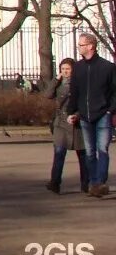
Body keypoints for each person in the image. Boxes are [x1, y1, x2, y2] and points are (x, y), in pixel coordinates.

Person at [64, 32, 116, 198]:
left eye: (81, 45)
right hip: (85, 116)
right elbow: (75, 92)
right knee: (89, 152)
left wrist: (110, 110)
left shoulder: (107, 67)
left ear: (90, 46)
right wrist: (71, 112)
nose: (78, 47)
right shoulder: (78, 68)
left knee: (102, 149)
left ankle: (100, 182)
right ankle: (93, 183)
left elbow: (114, 92)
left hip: (103, 114)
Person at [47, 57, 88, 194]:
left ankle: (86, 183)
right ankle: (55, 182)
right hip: (61, 122)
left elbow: (83, 101)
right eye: (63, 69)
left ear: (73, 70)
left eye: (68, 69)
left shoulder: (79, 83)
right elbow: (48, 95)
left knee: (82, 154)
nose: (65, 71)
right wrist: (55, 80)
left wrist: (77, 115)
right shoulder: (58, 83)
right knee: (59, 152)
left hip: (76, 123)